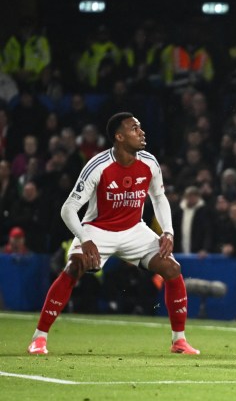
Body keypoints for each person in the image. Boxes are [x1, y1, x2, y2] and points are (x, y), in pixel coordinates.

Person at [27, 112, 200, 356]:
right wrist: (86, 240)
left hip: (133, 229)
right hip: (98, 229)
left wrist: (168, 232)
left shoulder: (149, 162)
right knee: (74, 267)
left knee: (172, 269)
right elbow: (68, 209)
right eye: (134, 129)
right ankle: (39, 338)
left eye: (140, 127)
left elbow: (159, 198)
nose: (141, 132)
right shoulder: (98, 166)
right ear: (119, 137)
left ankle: (179, 341)